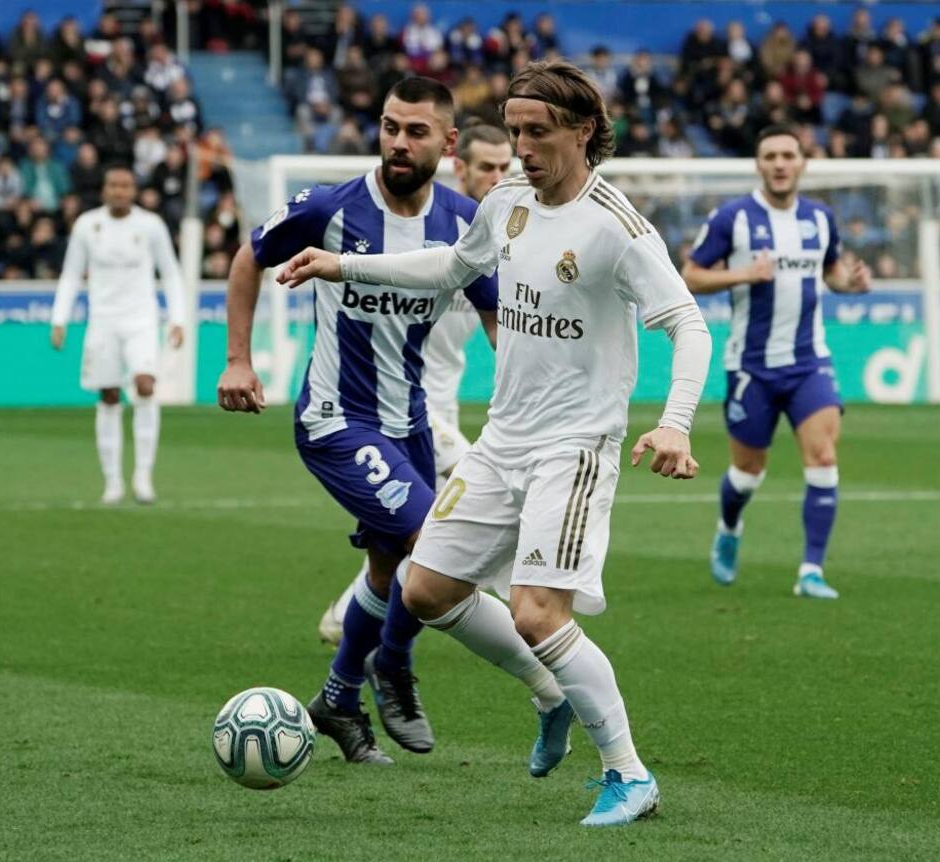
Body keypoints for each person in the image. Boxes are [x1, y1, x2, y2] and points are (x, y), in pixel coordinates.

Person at [275, 58, 711, 827]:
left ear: (584, 130)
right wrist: (343, 265)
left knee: (538, 613)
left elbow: (688, 324)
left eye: (538, 133)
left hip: (573, 447)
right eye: (514, 132)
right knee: (424, 590)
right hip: (502, 440)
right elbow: (454, 265)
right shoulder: (507, 198)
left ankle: (629, 774)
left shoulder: (616, 225)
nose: (522, 149)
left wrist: (675, 421)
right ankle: (555, 695)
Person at [217, 78, 499, 766]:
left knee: (387, 567)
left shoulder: (465, 222)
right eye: (389, 126)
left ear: (448, 143)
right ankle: (392, 663)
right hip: (336, 418)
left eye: (416, 131)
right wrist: (238, 361)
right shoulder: (329, 206)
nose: (399, 142)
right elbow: (250, 257)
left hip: (411, 423)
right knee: (437, 545)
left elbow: (498, 317)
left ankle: (339, 697)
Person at [317, 122, 513, 646]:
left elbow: (501, 324)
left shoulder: (496, 238)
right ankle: (514, 611)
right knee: (469, 512)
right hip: (396, 403)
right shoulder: (430, 230)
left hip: (434, 404)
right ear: (459, 166)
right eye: (486, 167)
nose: (497, 178)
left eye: (504, 168)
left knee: (418, 531)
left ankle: (355, 620)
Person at [681, 124, 872, 599]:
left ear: (802, 162)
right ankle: (729, 527)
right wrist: (745, 274)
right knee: (747, 472)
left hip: (810, 361)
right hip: (751, 366)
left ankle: (811, 571)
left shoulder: (821, 218)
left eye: (788, 155)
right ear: (759, 164)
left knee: (823, 457)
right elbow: (691, 275)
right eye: (771, 156)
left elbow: (830, 272)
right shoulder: (732, 218)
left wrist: (849, 284)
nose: (780, 164)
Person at [50, 165, 185, 505]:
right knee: (109, 395)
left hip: (141, 320)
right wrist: (59, 318)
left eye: (126, 186)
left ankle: (143, 476)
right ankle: (112, 482)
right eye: (114, 185)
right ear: (104, 189)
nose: (120, 191)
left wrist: (178, 317)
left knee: (145, 385)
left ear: (134, 190)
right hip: (103, 321)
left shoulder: (150, 225)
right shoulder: (87, 225)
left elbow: (170, 272)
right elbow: (71, 274)